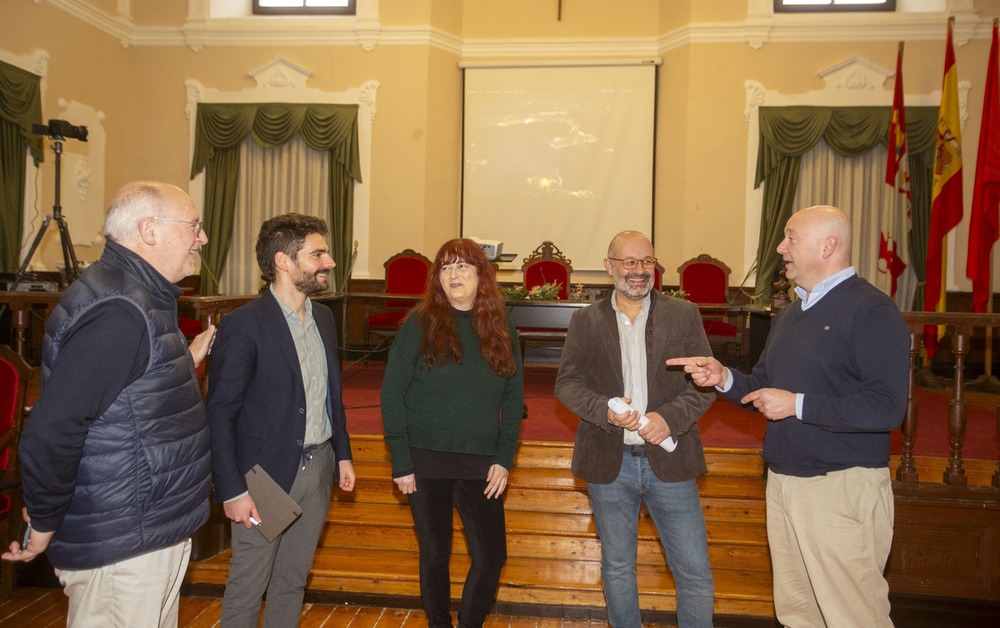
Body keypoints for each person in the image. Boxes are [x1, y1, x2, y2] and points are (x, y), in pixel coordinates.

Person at [668, 205, 909, 628]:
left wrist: (797, 404)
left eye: (791, 237)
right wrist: (722, 377)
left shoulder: (872, 310)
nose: (781, 248)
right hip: (784, 481)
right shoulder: (791, 314)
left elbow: (887, 407)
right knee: (798, 614)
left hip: (840, 485)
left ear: (828, 245)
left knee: (854, 617)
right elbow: (762, 384)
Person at [1, 181, 215, 626]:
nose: (203, 238)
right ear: (149, 231)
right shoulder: (120, 309)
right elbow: (53, 428)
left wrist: (182, 360)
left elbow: (127, 391)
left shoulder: (136, 294)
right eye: (193, 226)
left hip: (142, 532)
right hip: (123, 543)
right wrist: (43, 517)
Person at [554, 230, 716, 628]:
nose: (639, 271)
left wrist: (668, 419)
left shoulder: (684, 315)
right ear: (610, 267)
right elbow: (567, 384)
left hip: (671, 461)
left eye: (647, 262)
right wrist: (603, 411)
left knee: (694, 571)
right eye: (629, 262)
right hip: (611, 463)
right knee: (618, 567)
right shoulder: (585, 320)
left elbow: (706, 383)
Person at [206, 213, 355, 627]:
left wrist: (342, 453)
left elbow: (331, 395)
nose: (330, 261)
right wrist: (233, 489)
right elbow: (219, 413)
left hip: (319, 467)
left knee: (292, 581)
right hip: (263, 479)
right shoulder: (243, 325)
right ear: (284, 262)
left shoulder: (324, 317)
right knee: (248, 584)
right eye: (318, 253)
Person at [380, 238, 524, 628]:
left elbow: (514, 398)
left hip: (482, 462)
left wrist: (503, 457)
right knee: (435, 553)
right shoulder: (419, 323)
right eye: (445, 267)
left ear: (482, 274)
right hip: (425, 460)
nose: (453, 274)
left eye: (462, 266)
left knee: (492, 556)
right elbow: (392, 392)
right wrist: (401, 460)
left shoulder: (501, 326)